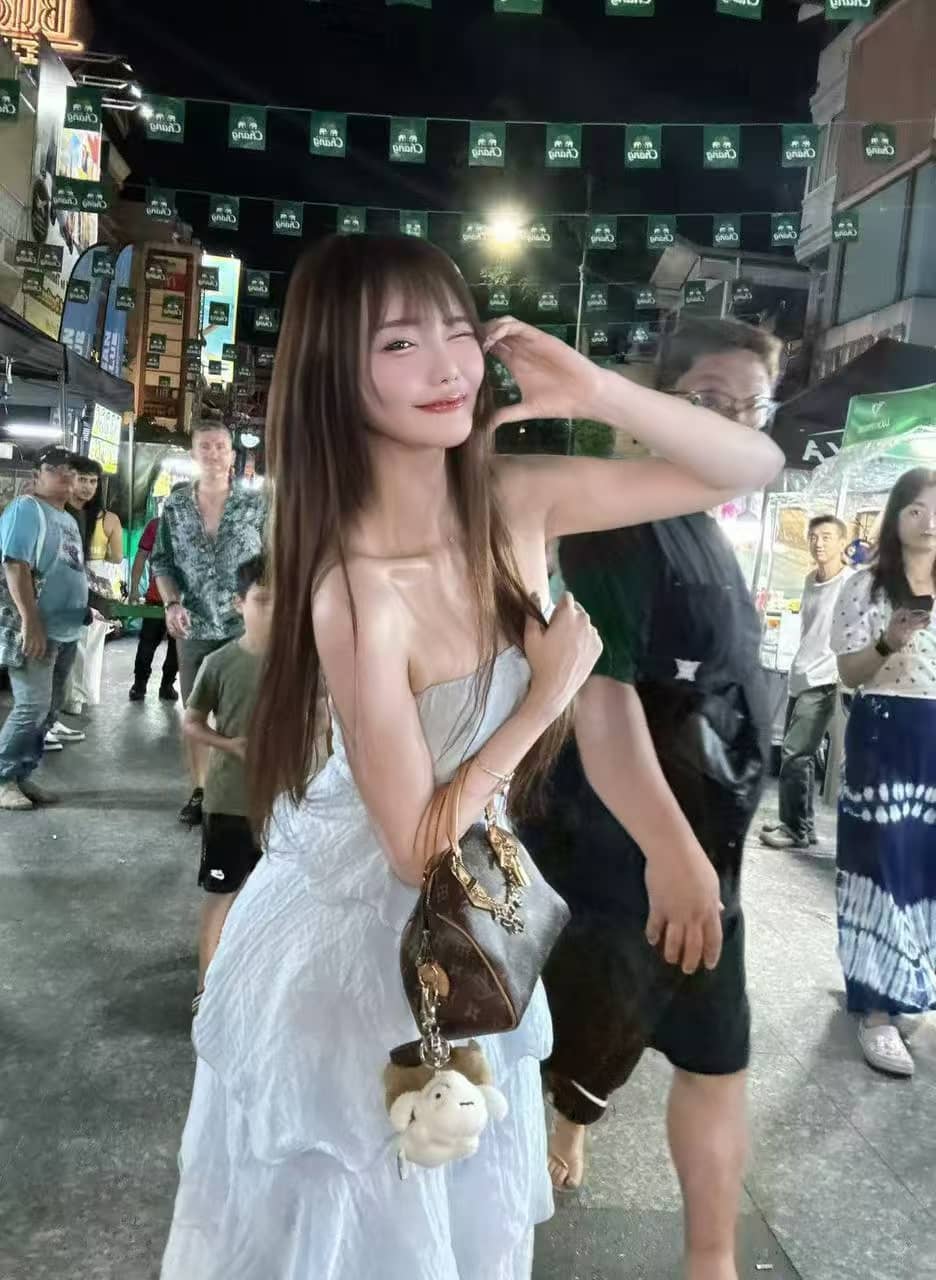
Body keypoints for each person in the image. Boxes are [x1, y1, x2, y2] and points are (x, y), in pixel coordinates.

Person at [160, 236, 782, 1280]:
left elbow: (752, 465)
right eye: (400, 343)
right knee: (360, 1219)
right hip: (356, 939)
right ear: (336, 376)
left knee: (452, 1215)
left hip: (477, 922)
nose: (448, 365)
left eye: (456, 330)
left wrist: (593, 386)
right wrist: (542, 699)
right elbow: (412, 849)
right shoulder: (354, 586)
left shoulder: (519, 495)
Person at [519, 316, 781, 1280]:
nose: (733, 424)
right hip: (614, 844)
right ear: (650, 401)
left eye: (752, 407)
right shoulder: (610, 517)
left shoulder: (707, 523)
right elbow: (604, 700)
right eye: (709, 400)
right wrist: (673, 857)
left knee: (717, 1058)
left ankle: (711, 1260)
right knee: (583, 1031)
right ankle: (561, 1126)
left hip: (711, 849)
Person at [832, 468, 936, 1079]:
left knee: (923, 867)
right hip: (884, 733)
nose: (929, 521)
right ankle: (874, 1008)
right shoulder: (865, 587)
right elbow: (848, 673)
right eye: (916, 509)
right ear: (895, 517)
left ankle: (911, 982)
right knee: (879, 867)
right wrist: (888, 642)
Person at [150, 421, 265, 826]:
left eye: (220, 446)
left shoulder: (257, 505)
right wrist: (171, 604)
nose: (213, 453)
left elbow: (275, 560)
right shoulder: (176, 505)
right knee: (195, 712)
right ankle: (200, 790)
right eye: (205, 446)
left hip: (246, 629)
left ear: (232, 455)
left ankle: (248, 789)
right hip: (194, 627)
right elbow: (162, 561)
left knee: (248, 710)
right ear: (193, 454)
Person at [183, 555, 270, 1004]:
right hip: (230, 803)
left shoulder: (302, 664)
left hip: (283, 805)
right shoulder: (219, 662)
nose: (275, 611)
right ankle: (207, 989)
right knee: (222, 893)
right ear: (240, 603)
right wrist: (230, 745)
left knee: (270, 896)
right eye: (263, 600)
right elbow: (192, 722)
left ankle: (259, 983)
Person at [0, 446, 88, 811]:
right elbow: (15, 565)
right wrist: (30, 620)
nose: (66, 475)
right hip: (36, 628)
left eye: (71, 470)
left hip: (66, 629)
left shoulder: (67, 518)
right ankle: (2, 778)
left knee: (49, 709)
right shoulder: (27, 509)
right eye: (55, 469)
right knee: (32, 706)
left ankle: (20, 773)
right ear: (36, 476)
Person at [761, 515, 850, 851]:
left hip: (825, 678)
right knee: (802, 755)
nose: (818, 543)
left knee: (795, 754)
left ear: (842, 542)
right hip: (800, 674)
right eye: (813, 536)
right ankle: (803, 824)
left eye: (827, 536)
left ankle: (794, 829)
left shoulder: (851, 582)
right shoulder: (810, 579)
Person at [57, 456, 123, 722]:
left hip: (90, 590)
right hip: (61, 587)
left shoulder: (96, 516)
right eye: (82, 479)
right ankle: (66, 701)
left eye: (93, 481)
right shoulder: (57, 512)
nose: (87, 486)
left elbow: (116, 559)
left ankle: (74, 699)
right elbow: (116, 557)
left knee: (85, 645)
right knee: (71, 647)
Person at [128, 509, 179, 703]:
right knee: (148, 644)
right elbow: (141, 556)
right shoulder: (155, 525)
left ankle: (166, 685)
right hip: (157, 597)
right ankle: (140, 685)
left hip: (183, 602)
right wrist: (134, 589)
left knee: (177, 648)